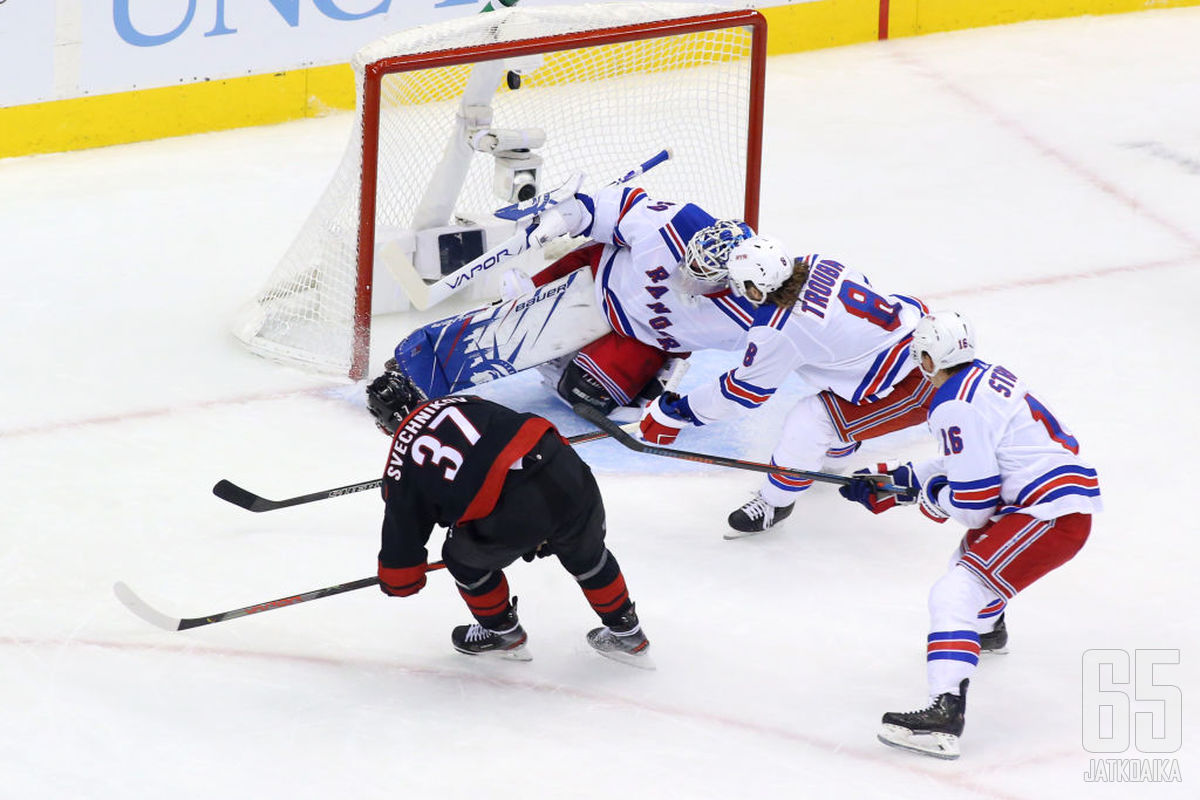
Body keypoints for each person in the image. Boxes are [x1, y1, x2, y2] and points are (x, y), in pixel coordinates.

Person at [838, 311, 1101, 759]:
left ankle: (944, 715)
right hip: (1048, 501)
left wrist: (916, 496)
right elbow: (975, 464)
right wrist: (899, 477)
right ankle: (986, 628)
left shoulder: (951, 404)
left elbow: (975, 506)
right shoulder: (985, 378)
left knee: (955, 593)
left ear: (926, 358)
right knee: (967, 571)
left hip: (1048, 512)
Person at [384, 180, 764, 419]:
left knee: (587, 394)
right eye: (688, 261)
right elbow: (603, 208)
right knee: (512, 325)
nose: (684, 274)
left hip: (640, 336)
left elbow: (790, 353)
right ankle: (413, 367)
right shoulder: (674, 225)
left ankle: (561, 360)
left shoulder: (753, 315)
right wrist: (564, 218)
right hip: (594, 278)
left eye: (699, 275)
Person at [638, 242, 936, 536]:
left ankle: (774, 503)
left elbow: (745, 391)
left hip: (916, 383)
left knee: (811, 421)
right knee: (830, 386)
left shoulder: (780, 328)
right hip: (918, 338)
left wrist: (680, 411)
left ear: (756, 287)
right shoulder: (816, 261)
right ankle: (839, 448)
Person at [364, 368, 652, 668]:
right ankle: (628, 633)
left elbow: (403, 537)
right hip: (562, 465)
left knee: (460, 558)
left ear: (384, 424)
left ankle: (502, 633)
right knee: (587, 553)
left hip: (514, 509)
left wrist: (399, 581)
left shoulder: (401, 458)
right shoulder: (463, 401)